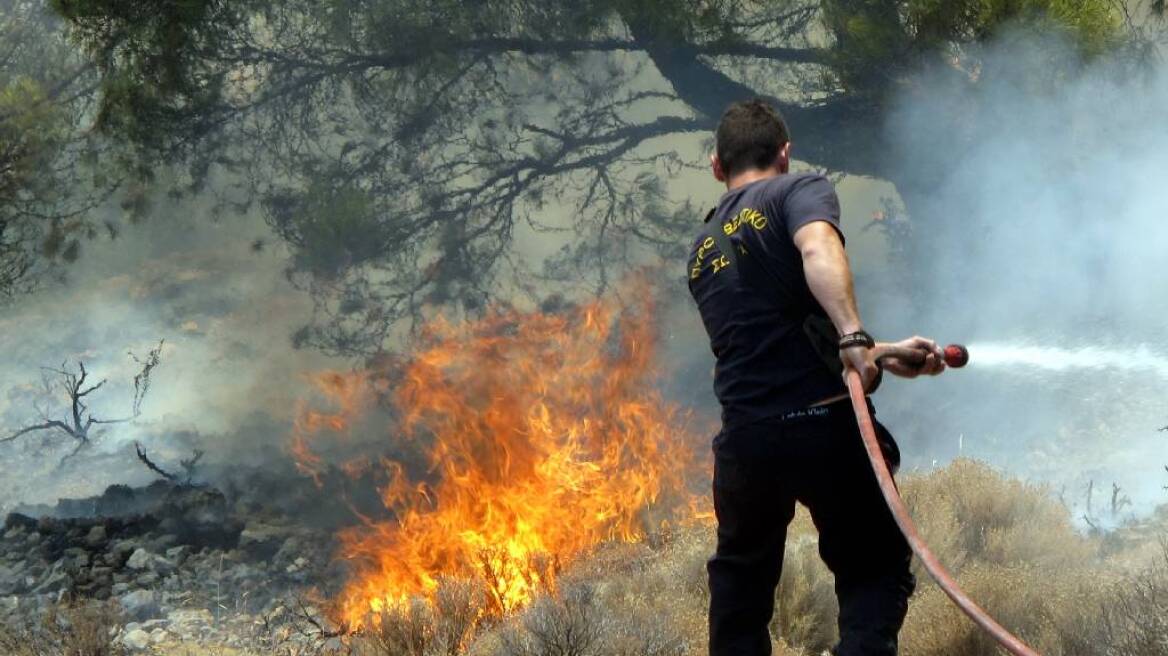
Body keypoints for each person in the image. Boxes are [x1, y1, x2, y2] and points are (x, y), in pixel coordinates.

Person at [686, 99, 946, 656]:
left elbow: (772, 340)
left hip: (747, 443)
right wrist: (853, 337)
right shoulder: (797, 191)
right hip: (825, 421)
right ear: (784, 153)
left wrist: (883, 350)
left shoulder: (702, 248)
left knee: (741, 593)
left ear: (717, 166)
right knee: (873, 570)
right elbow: (817, 245)